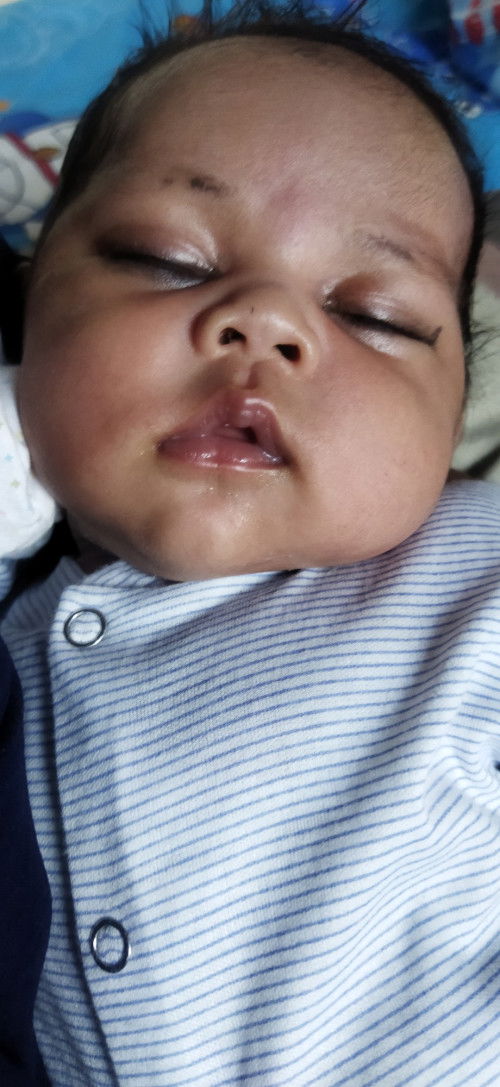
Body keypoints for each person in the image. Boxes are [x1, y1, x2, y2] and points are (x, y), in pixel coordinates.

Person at [2, 2, 500, 1083]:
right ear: (27, 311)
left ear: (453, 409)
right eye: (165, 258)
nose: (265, 324)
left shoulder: (474, 582)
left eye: (375, 315)